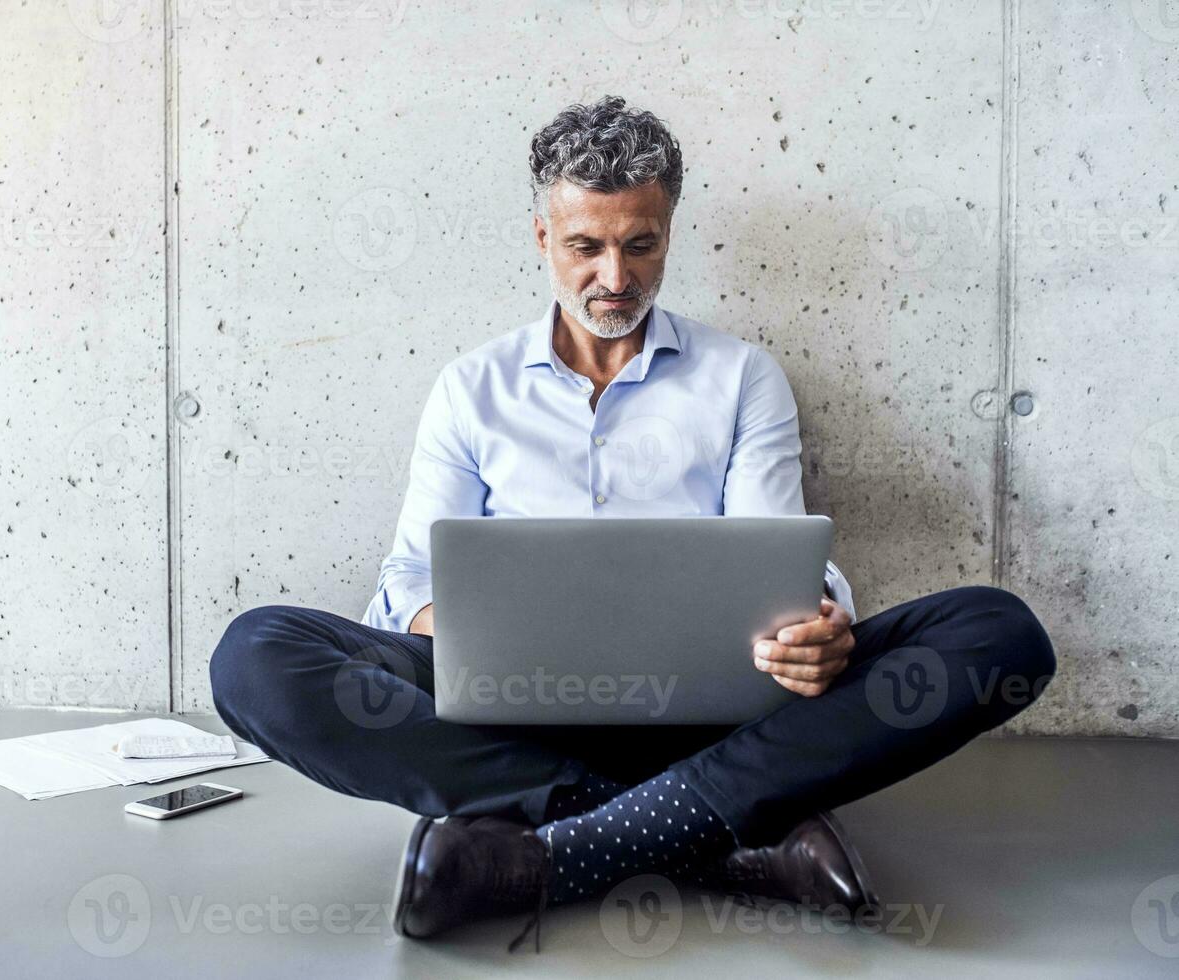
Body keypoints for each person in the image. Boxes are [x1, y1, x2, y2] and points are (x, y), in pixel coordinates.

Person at [208, 95, 1056, 951]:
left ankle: (553, 847)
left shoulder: (742, 378)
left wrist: (818, 624)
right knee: (255, 656)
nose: (615, 278)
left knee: (997, 631)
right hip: (508, 711)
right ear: (543, 238)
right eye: (586, 246)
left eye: (639, 245)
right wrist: (475, 633)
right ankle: (708, 829)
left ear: (668, 233)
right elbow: (407, 586)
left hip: (713, 708)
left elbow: (780, 552)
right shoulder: (472, 388)